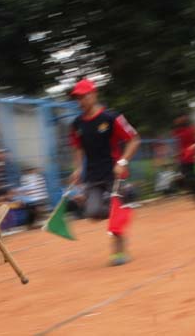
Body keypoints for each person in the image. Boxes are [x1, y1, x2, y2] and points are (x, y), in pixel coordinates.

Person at [68, 78, 140, 266]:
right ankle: (124, 207)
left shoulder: (111, 118)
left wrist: (123, 161)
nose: (80, 101)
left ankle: (119, 253)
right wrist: (77, 169)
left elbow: (134, 139)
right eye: (77, 98)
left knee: (116, 213)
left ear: (94, 94)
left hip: (114, 173)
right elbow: (77, 148)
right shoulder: (76, 124)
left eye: (83, 97)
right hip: (92, 175)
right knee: (92, 213)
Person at [172, 115, 195, 206]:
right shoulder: (177, 131)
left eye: (178, 120)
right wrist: (176, 153)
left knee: (189, 176)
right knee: (183, 176)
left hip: (190, 155)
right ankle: (194, 191)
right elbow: (176, 143)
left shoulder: (192, 129)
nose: (176, 122)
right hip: (182, 156)